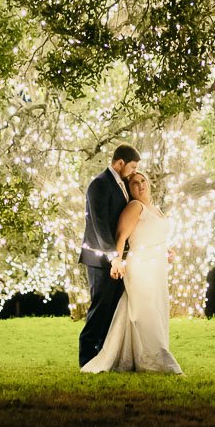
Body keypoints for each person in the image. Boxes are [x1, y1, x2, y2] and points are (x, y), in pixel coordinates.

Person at [80, 167, 183, 374]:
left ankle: (140, 354)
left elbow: (154, 236)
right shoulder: (134, 207)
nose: (140, 185)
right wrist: (116, 260)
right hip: (140, 267)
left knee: (155, 310)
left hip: (157, 269)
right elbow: (121, 236)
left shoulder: (155, 208)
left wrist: (166, 251)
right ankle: (156, 358)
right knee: (143, 312)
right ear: (130, 189)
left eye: (143, 181)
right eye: (134, 183)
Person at [78, 145, 138, 366]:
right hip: (99, 260)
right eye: (132, 166)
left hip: (117, 260)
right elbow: (100, 225)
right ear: (120, 163)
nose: (133, 172)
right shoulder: (99, 184)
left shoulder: (120, 184)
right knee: (100, 309)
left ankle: (103, 358)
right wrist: (113, 256)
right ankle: (86, 359)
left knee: (112, 311)